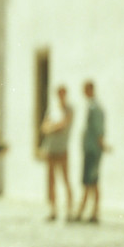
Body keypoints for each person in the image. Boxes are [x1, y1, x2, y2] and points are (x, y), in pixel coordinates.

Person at [74, 80, 106, 223]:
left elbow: (99, 129)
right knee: (92, 181)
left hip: (92, 149)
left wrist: (100, 144)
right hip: (90, 148)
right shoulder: (92, 107)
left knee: (90, 180)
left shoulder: (94, 108)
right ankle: (91, 211)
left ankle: (86, 211)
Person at [40, 84, 74, 221]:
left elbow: (63, 125)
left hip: (62, 148)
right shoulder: (53, 109)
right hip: (50, 148)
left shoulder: (69, 109)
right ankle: (53, 210)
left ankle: (69, 210)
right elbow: (44, 127)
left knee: (65, 179)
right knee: (51, 180)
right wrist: (53, 126)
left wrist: (52, 127)